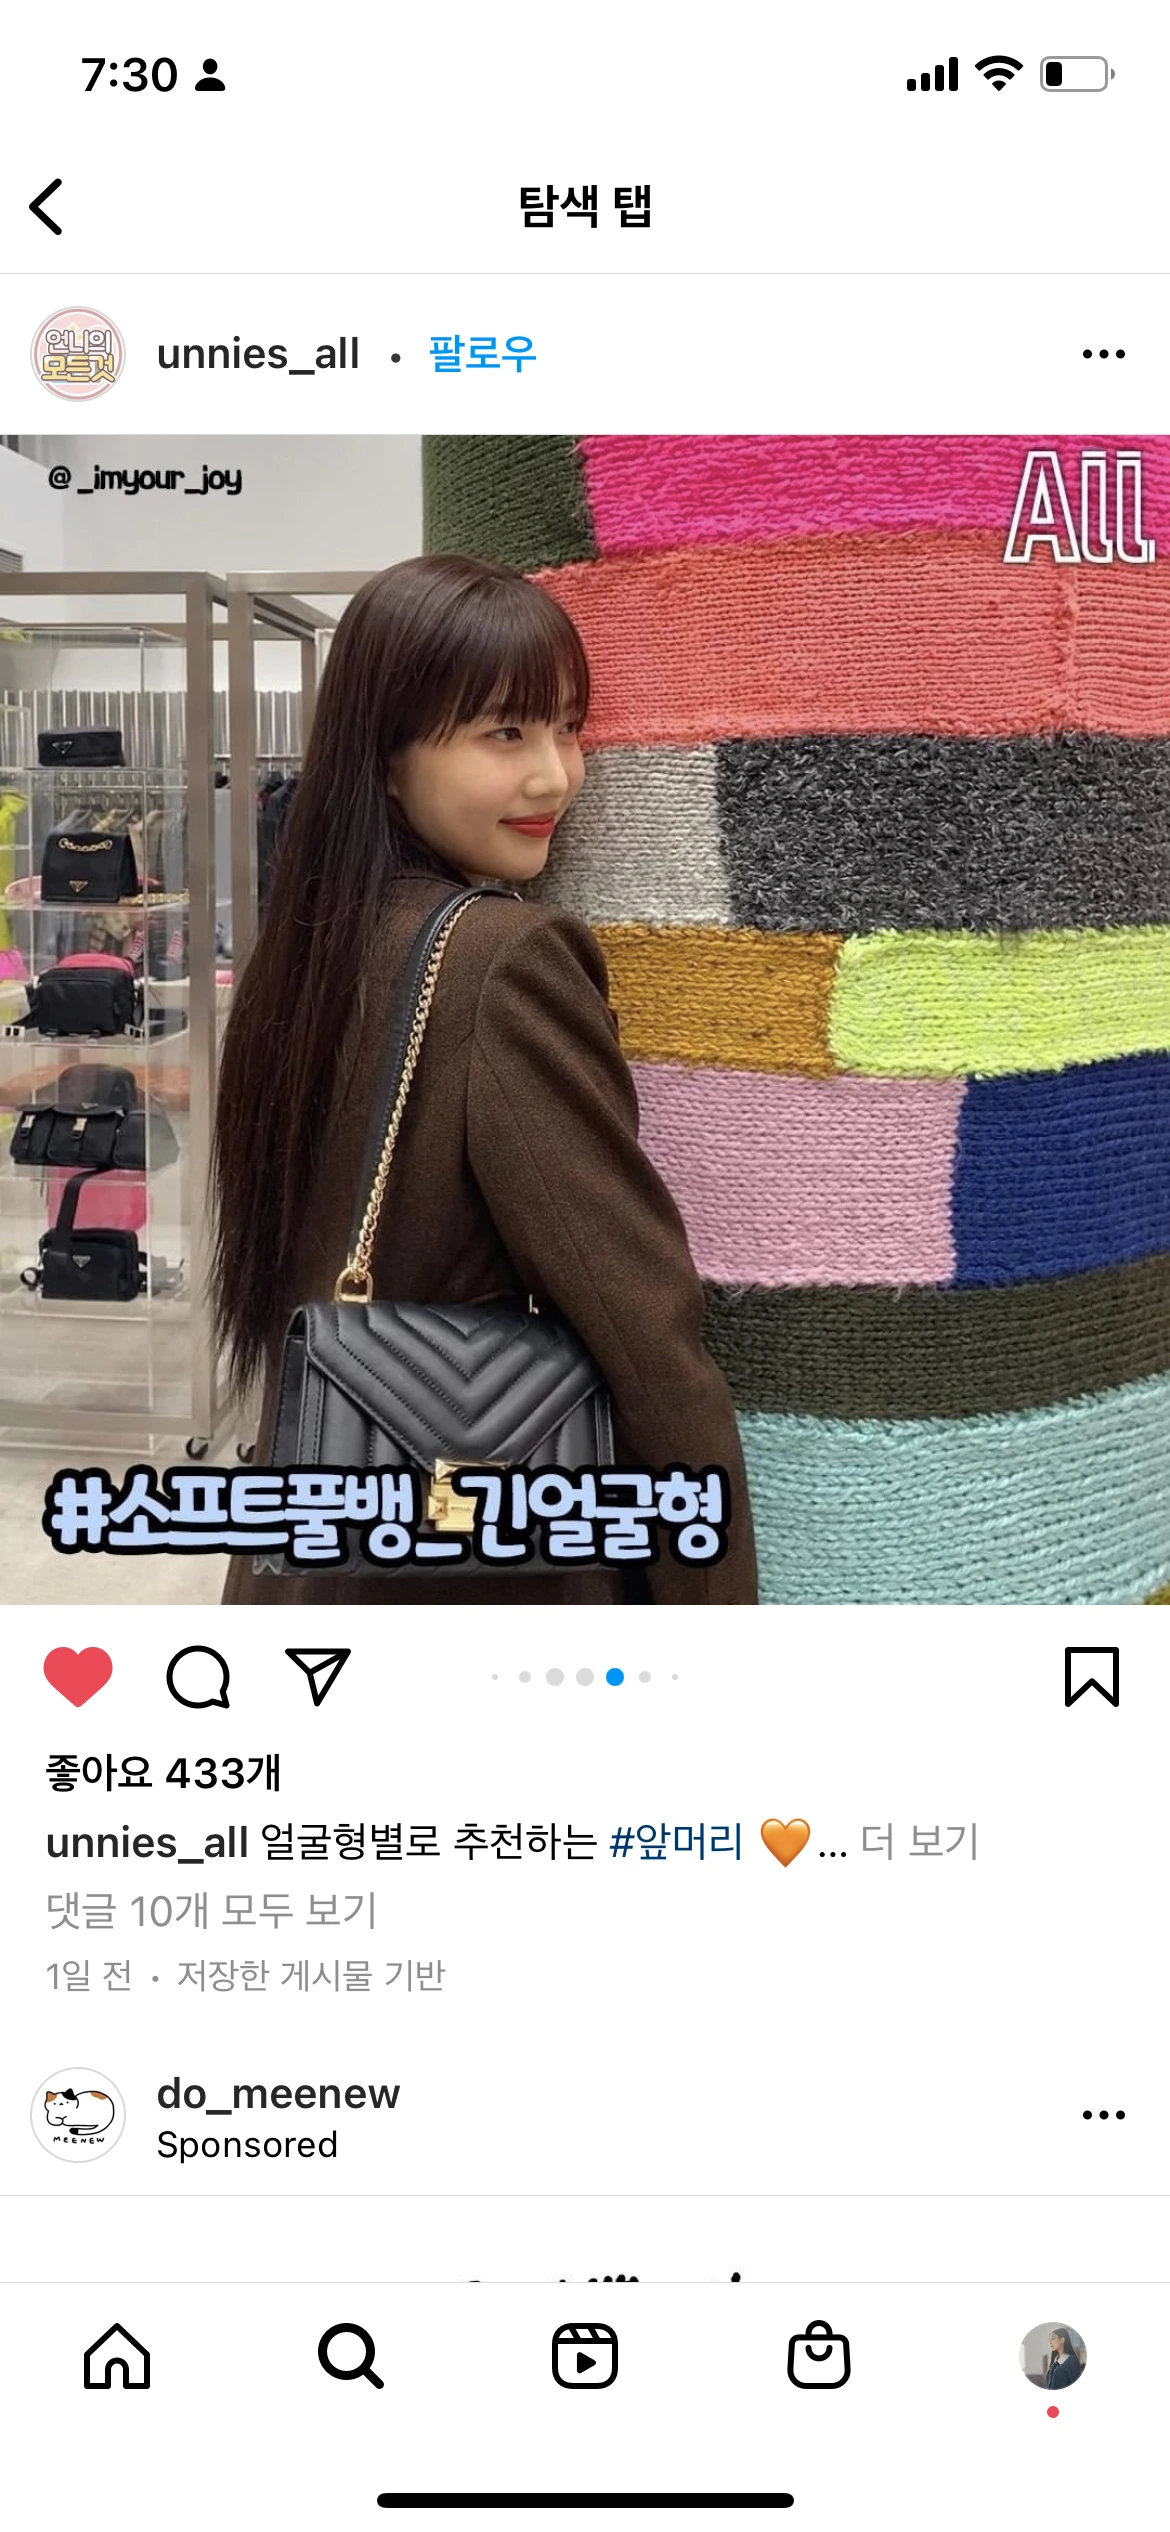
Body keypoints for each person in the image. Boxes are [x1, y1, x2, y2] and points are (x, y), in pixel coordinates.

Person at [213, 552, 758, 1604]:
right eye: (504, 733)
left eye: (568, 727)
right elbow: (643, 1335)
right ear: (387, 758)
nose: (555, 776)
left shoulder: (308, 954)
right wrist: (715, 1609)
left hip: (314, 1540)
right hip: (474, 1569)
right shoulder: (505, 961)